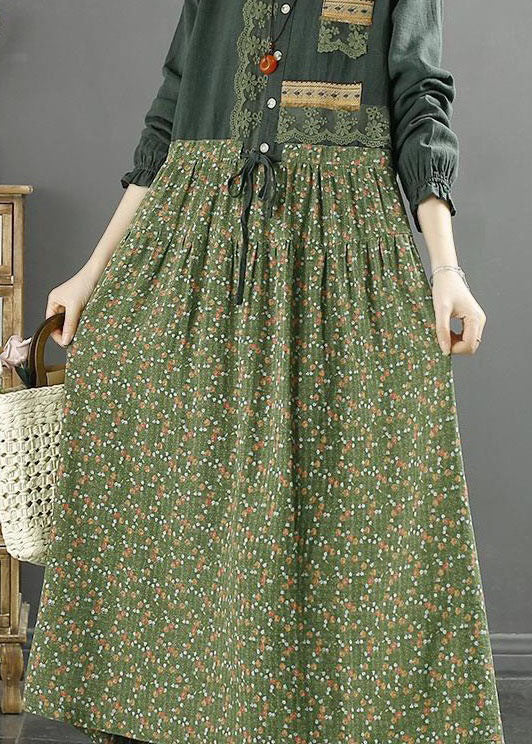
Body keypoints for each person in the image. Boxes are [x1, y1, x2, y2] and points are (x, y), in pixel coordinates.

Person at [22, 1, 505, 742]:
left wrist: (446, 268)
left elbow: (420, 102)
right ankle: (187, 709)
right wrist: (92, 272)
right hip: (201, 240)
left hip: (340, 251)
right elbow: (170, 115)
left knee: (346, 495)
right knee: (186, 478)